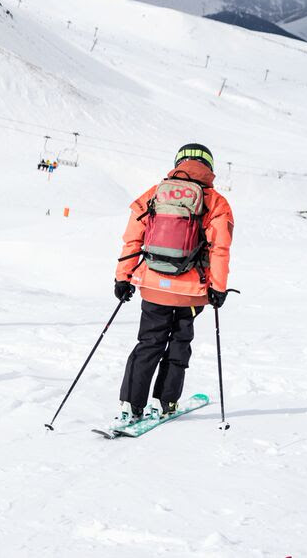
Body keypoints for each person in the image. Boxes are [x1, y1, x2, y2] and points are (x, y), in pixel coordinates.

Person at [112, 143, 233, 425]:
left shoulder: (155, 193)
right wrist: (218, 287)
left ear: (178, 162)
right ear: (209, 167)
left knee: (148, 343)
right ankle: (165, 401)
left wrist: (123, 277)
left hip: (154, 286)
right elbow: (220, 249)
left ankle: (131, 404)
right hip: (191, 292)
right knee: (179, 343)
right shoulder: (216, 202)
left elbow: (132, 239)